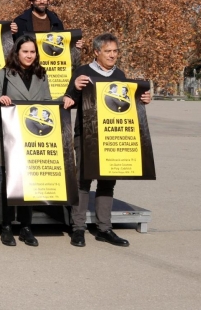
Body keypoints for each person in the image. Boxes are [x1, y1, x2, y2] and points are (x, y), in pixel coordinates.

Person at [65, 33, 151, 248]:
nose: (113, 55)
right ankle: (77, 228)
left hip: (112, 137)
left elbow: (126, 105)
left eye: (115, 51)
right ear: (96, 52)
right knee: (83, 182)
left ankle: (104, 229)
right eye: (108, 52)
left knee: (107, 182)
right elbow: (69, 102)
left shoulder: (120, 75)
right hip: (87, 136)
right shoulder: (83, 72)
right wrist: (75, 87)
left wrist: (142, 99)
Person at [0, 35, 74, 247]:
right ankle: (6, 227)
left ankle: (26, 227)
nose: (29, 55)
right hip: (10, 136)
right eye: (25, 51)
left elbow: (45, 103)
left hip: (32, 136)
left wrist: (61, 100)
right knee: (10, 183)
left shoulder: (41, 74)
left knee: (29, 181)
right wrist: (0, 100)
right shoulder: (4, 74)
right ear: (16, 53)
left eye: (32, 52)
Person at [12, 0, 84, 49]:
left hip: (50, 62)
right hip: (28, 63)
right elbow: (12, 47)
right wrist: (10, 33)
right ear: (31, 1)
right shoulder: (20, 22)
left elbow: (62, 46)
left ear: (48, 1)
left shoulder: (56, 22)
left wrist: (75, 46)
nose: (42, 2)